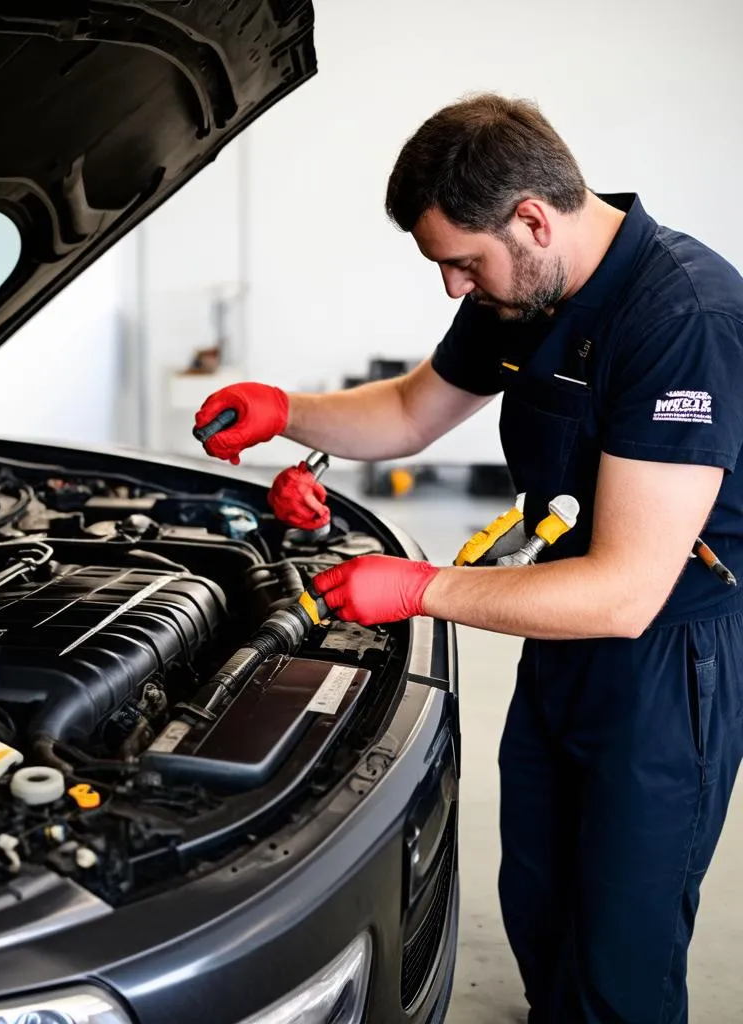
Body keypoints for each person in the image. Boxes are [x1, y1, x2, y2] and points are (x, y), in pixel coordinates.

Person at [193, 93, 743, 1024]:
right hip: (555, 626)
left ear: (532, 217)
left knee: (624, 940)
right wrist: (287, 412)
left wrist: (419, 588)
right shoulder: (523, 284)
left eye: (461, 263)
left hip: (664, 661)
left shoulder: (682, 317)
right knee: (536, 889)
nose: (453, 288)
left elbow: (625, 592)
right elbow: (414, 409)